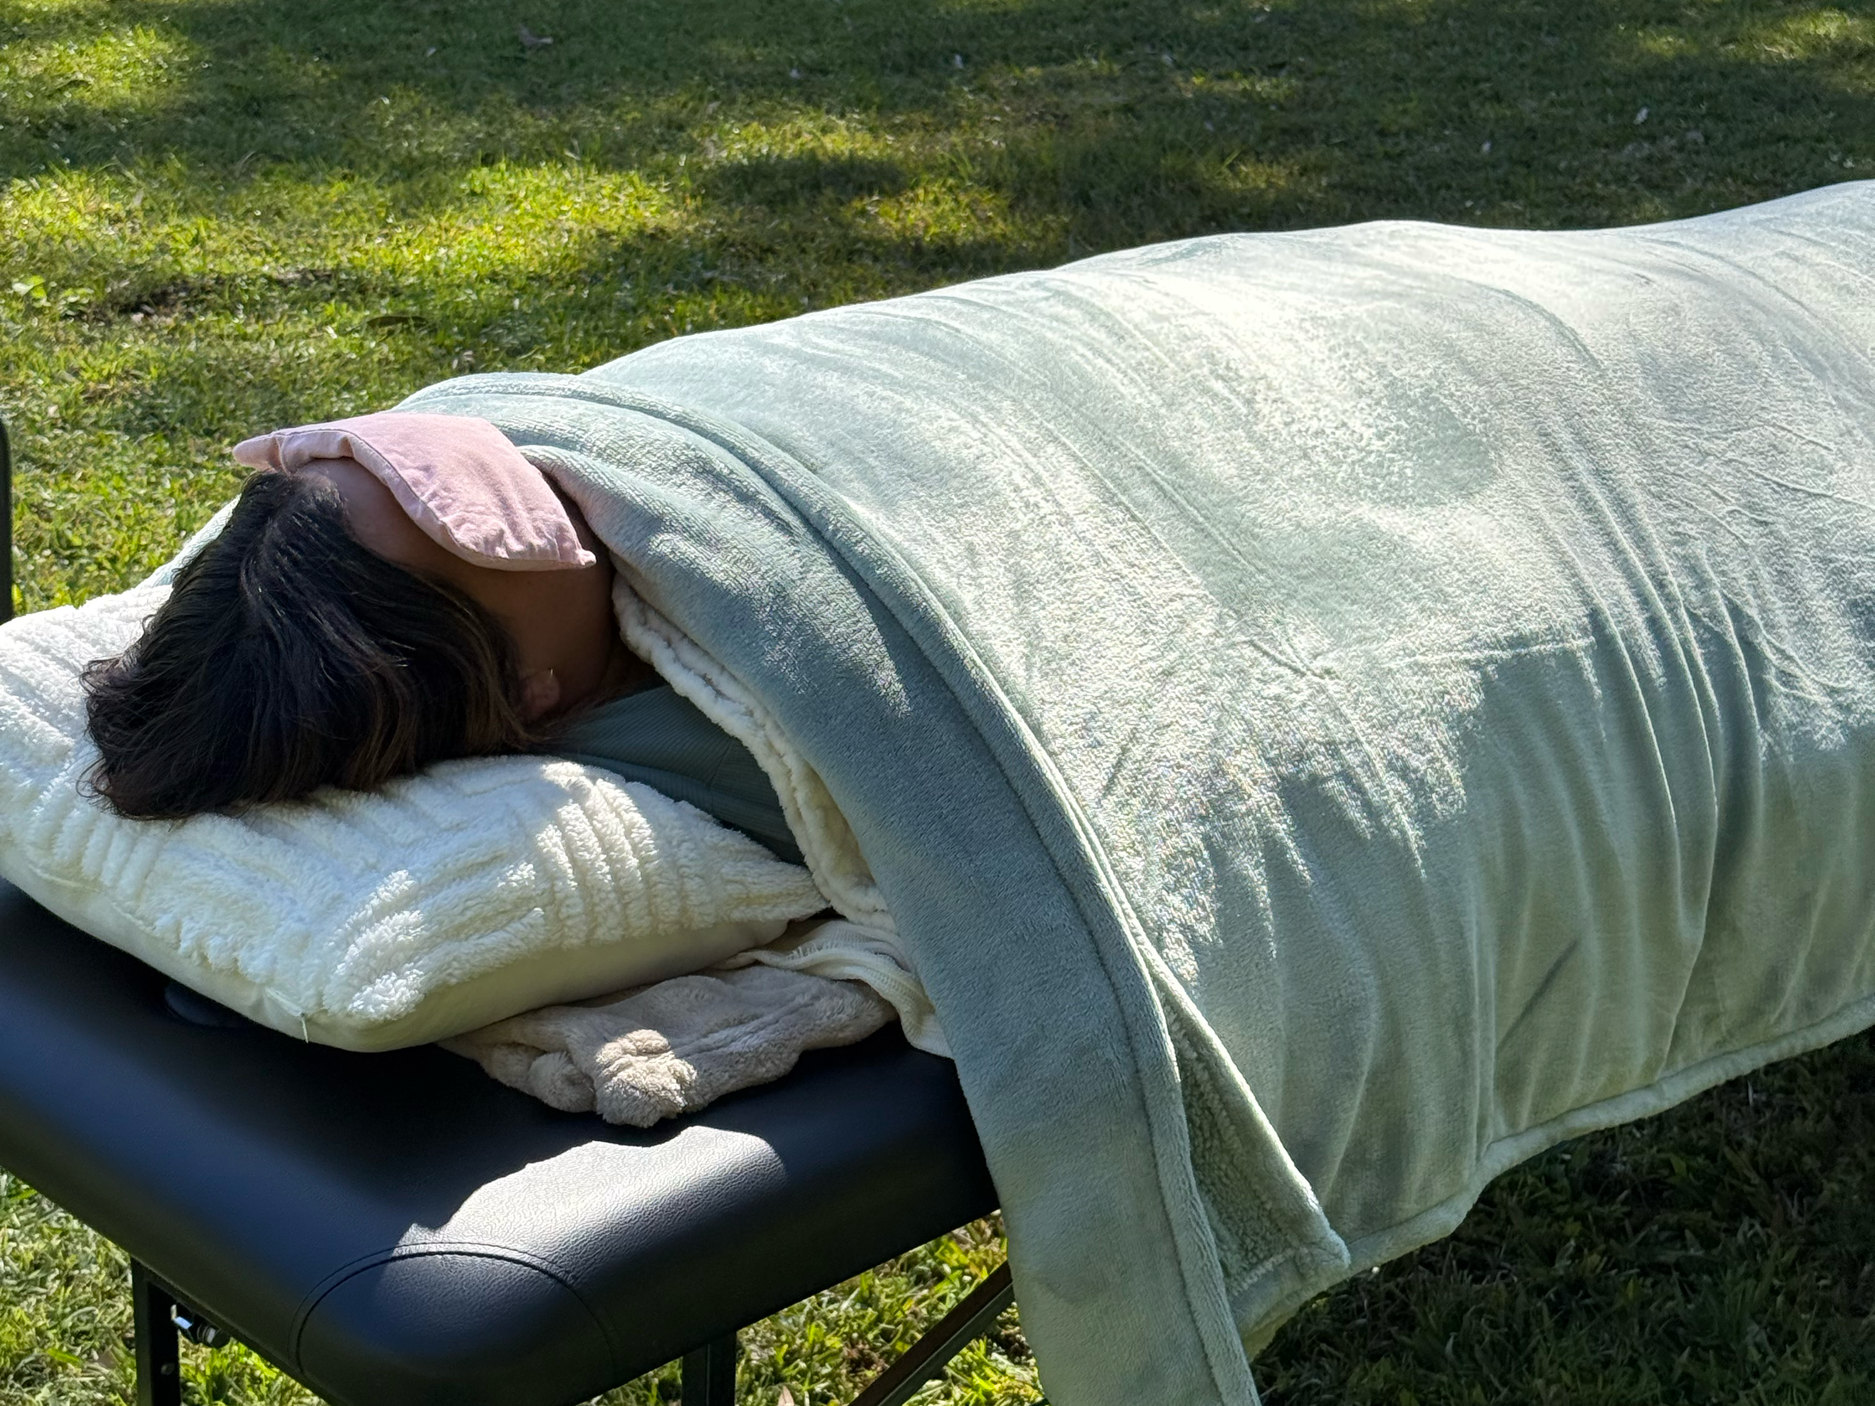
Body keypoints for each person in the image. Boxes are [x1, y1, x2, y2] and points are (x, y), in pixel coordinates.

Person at [82, 455, 803, 862]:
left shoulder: (294, 572)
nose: (446, 456)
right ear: (526, 690)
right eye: (478, 519)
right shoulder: (758, 736)